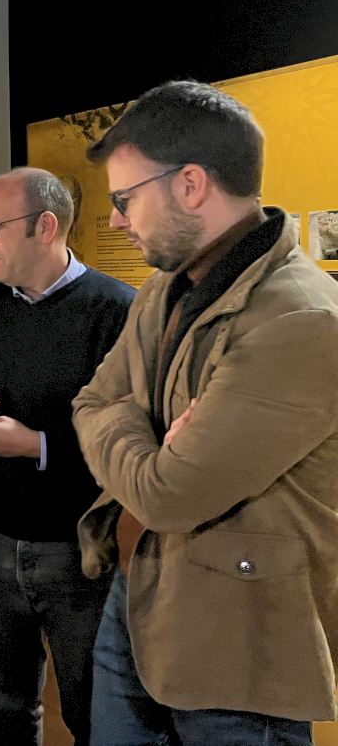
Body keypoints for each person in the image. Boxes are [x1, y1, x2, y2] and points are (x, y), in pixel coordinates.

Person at [73, 80, 338, 745]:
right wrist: (147, 435)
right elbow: (91, 399)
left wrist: (128, 424)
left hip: (238, 647)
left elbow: (168, 495)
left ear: (190, 185)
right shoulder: (162, 288)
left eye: (125, 199)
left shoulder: (301, 318)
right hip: (136, 597)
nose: (115, 221)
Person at [0, 167, 134, 744]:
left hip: (78, 551)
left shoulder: (117, 310)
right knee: (2, 709)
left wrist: (35, 444)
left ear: (45, 227)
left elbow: (131, 437)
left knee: (95, 713)